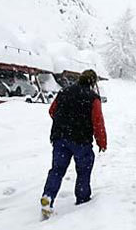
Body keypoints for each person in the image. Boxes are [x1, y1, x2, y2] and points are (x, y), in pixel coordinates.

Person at [41, 69, 107, 218]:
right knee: (83, 169)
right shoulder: (92, 98)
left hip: (60, 138)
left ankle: (48, 196)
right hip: (81, 140)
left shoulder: (64, 92)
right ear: (93, 82)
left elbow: (52, 111)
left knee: (57, 169)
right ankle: (82, 200)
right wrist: (101, 142)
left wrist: (64, 123)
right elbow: (97, 122)